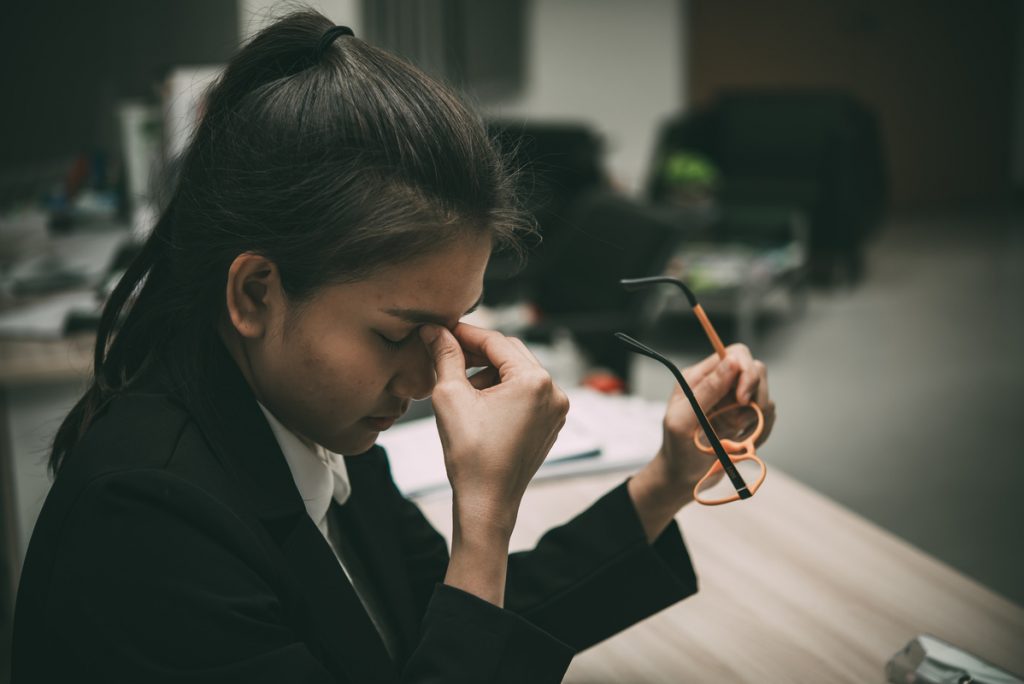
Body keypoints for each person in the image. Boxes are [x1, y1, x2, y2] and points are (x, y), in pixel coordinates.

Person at [11, 10, 775, 684]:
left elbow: (447, 625)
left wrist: (669, 478)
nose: (423, 381)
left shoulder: (305, 421)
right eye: (397, 333)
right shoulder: (146, 526)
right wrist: (485, 518)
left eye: (452, 328)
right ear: (254, 294)